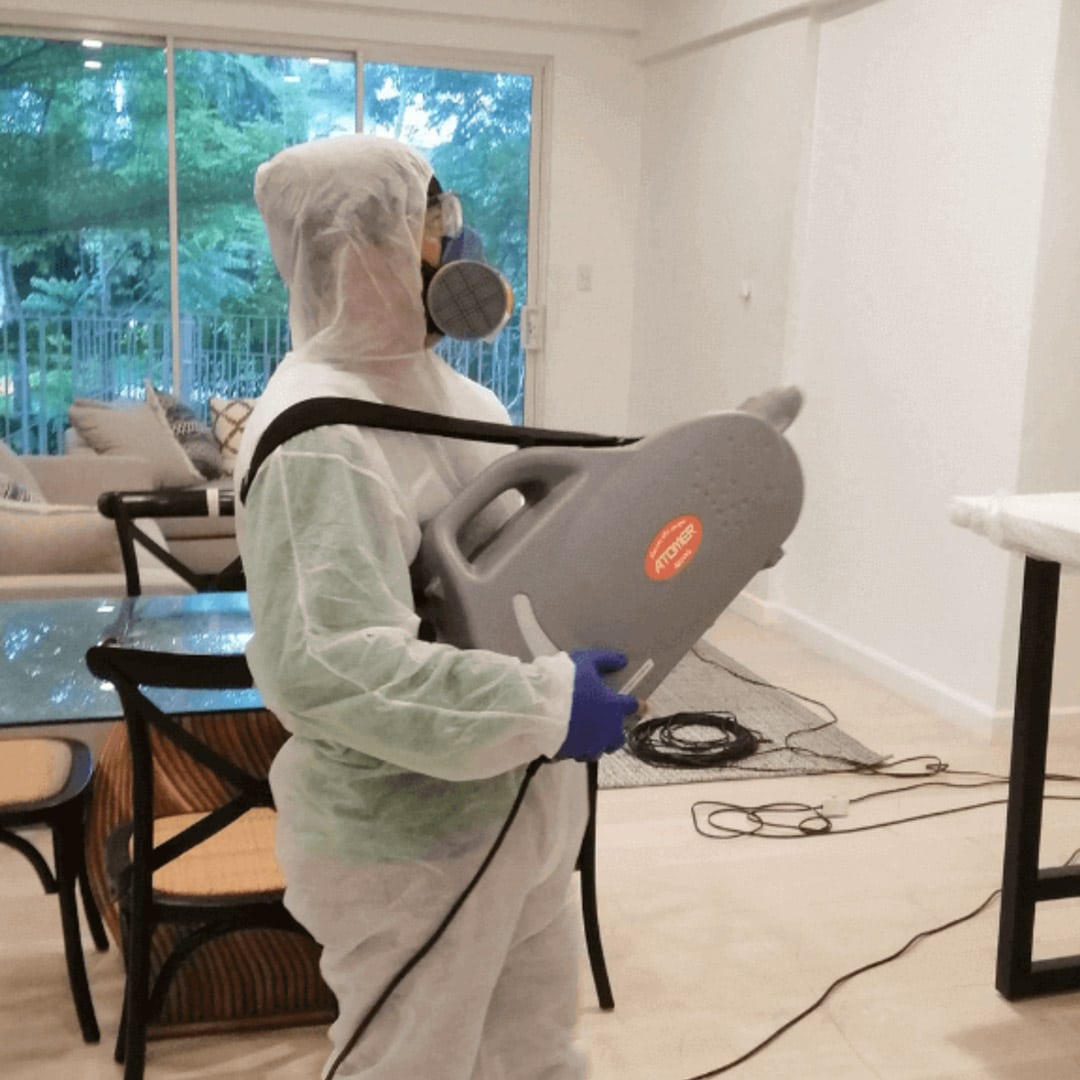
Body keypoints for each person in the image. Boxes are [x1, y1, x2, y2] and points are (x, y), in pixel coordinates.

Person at [234, 133, 638, 1079]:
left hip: (525, 808)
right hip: (407, 844)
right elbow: (330, 666)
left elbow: (530, 574)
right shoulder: (316, 433)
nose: (455, 242)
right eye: (431, 221)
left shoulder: (466, 404)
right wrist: (542, 704)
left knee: (532, 1053)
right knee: (409, 1064)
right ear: (361, 244)